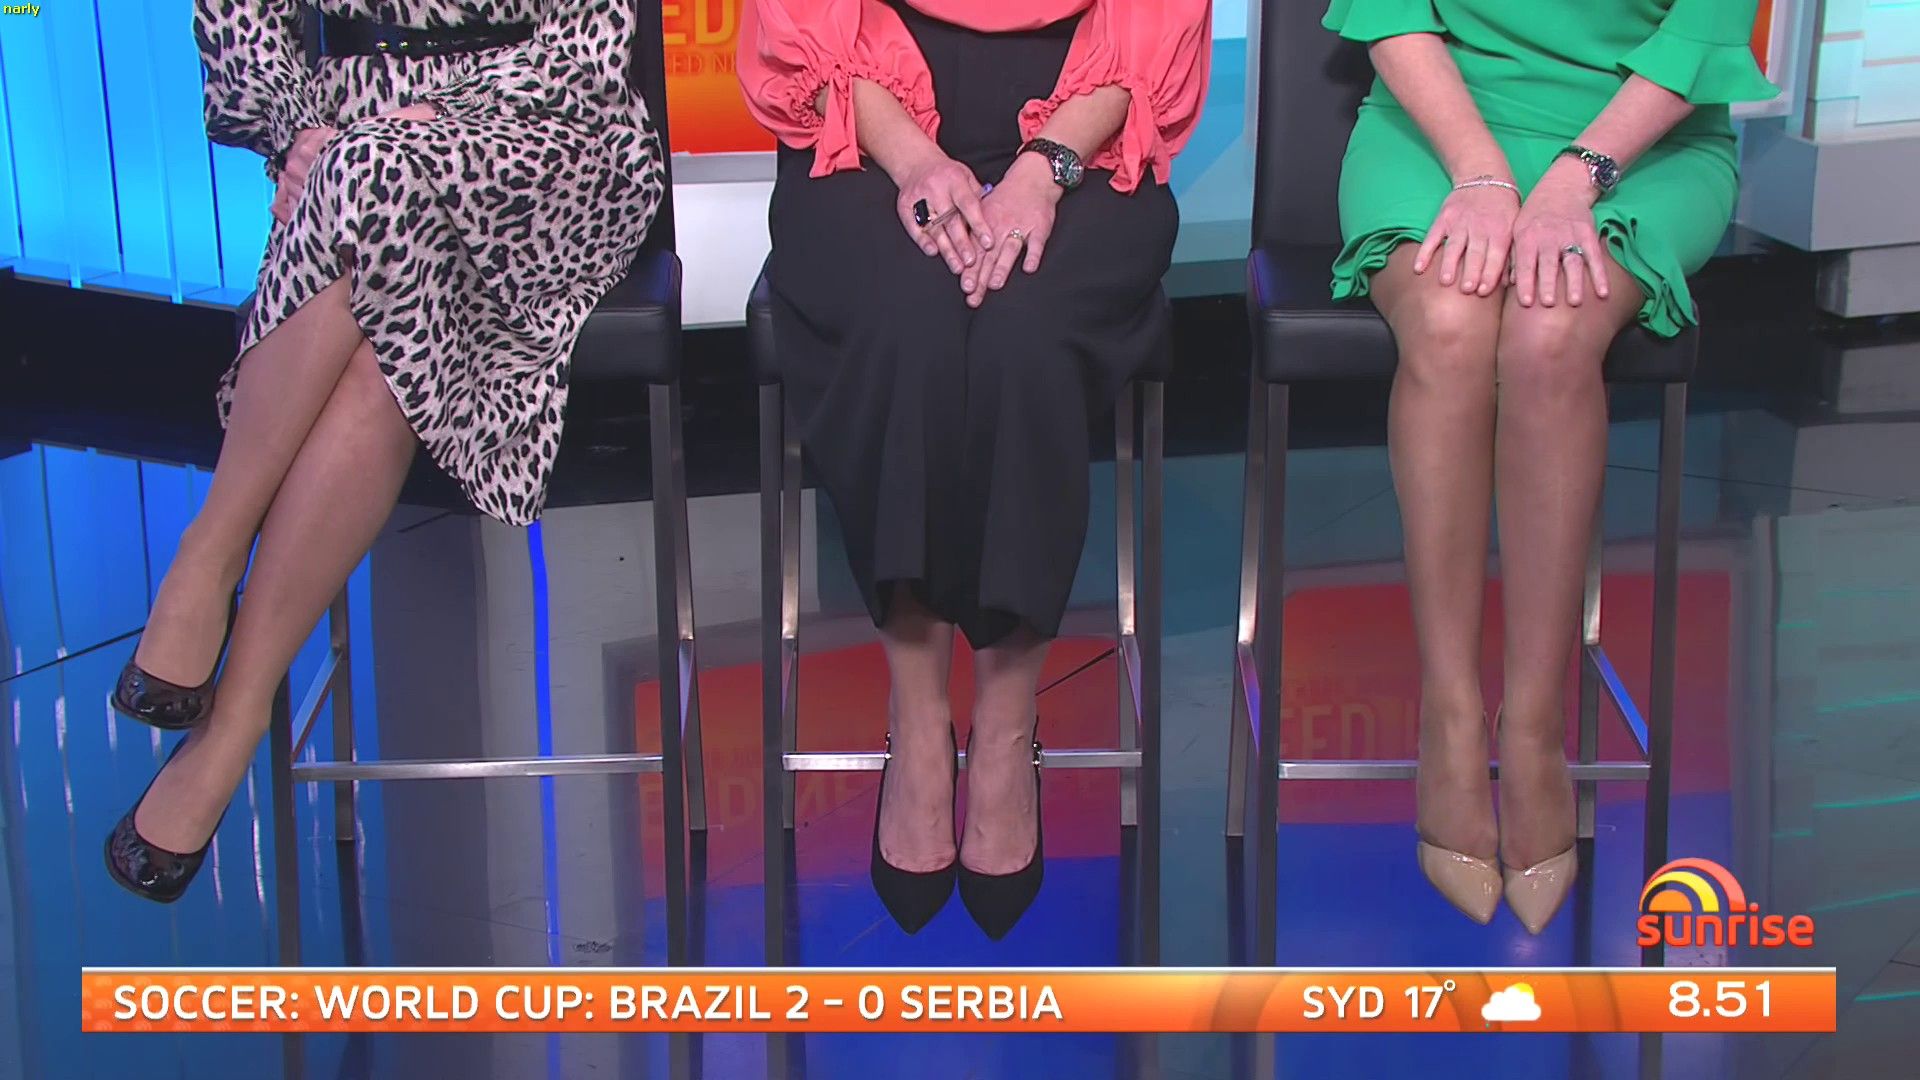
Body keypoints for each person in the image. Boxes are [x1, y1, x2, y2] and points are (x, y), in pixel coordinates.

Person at [105, 0, 664, 903]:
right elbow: (239, 16)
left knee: (370, 180)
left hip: (543, 131)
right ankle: (228, 656)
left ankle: (214, 599)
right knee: (379, 303)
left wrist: (434, 115)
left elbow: (589, 33)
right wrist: (296, 133)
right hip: (344, 129)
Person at [739, 0, 1208, 938]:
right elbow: (798, 25)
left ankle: (1005, 723)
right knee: (910, 325)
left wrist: (1045, 168)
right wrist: (915, 158)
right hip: (866, 125)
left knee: (1020, 330)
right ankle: (918, 718)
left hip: (1087, 128)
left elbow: (1158, 26)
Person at [1322, 0, 1773, 932]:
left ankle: (1534, 728)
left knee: (1550, 334)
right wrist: (1481, 171)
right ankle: (1450, 718)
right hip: (1443, 125)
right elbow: (1391, 11)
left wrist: (1575, 179)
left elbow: (1703, 35)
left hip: (1642, 141)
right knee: (1449, 323)